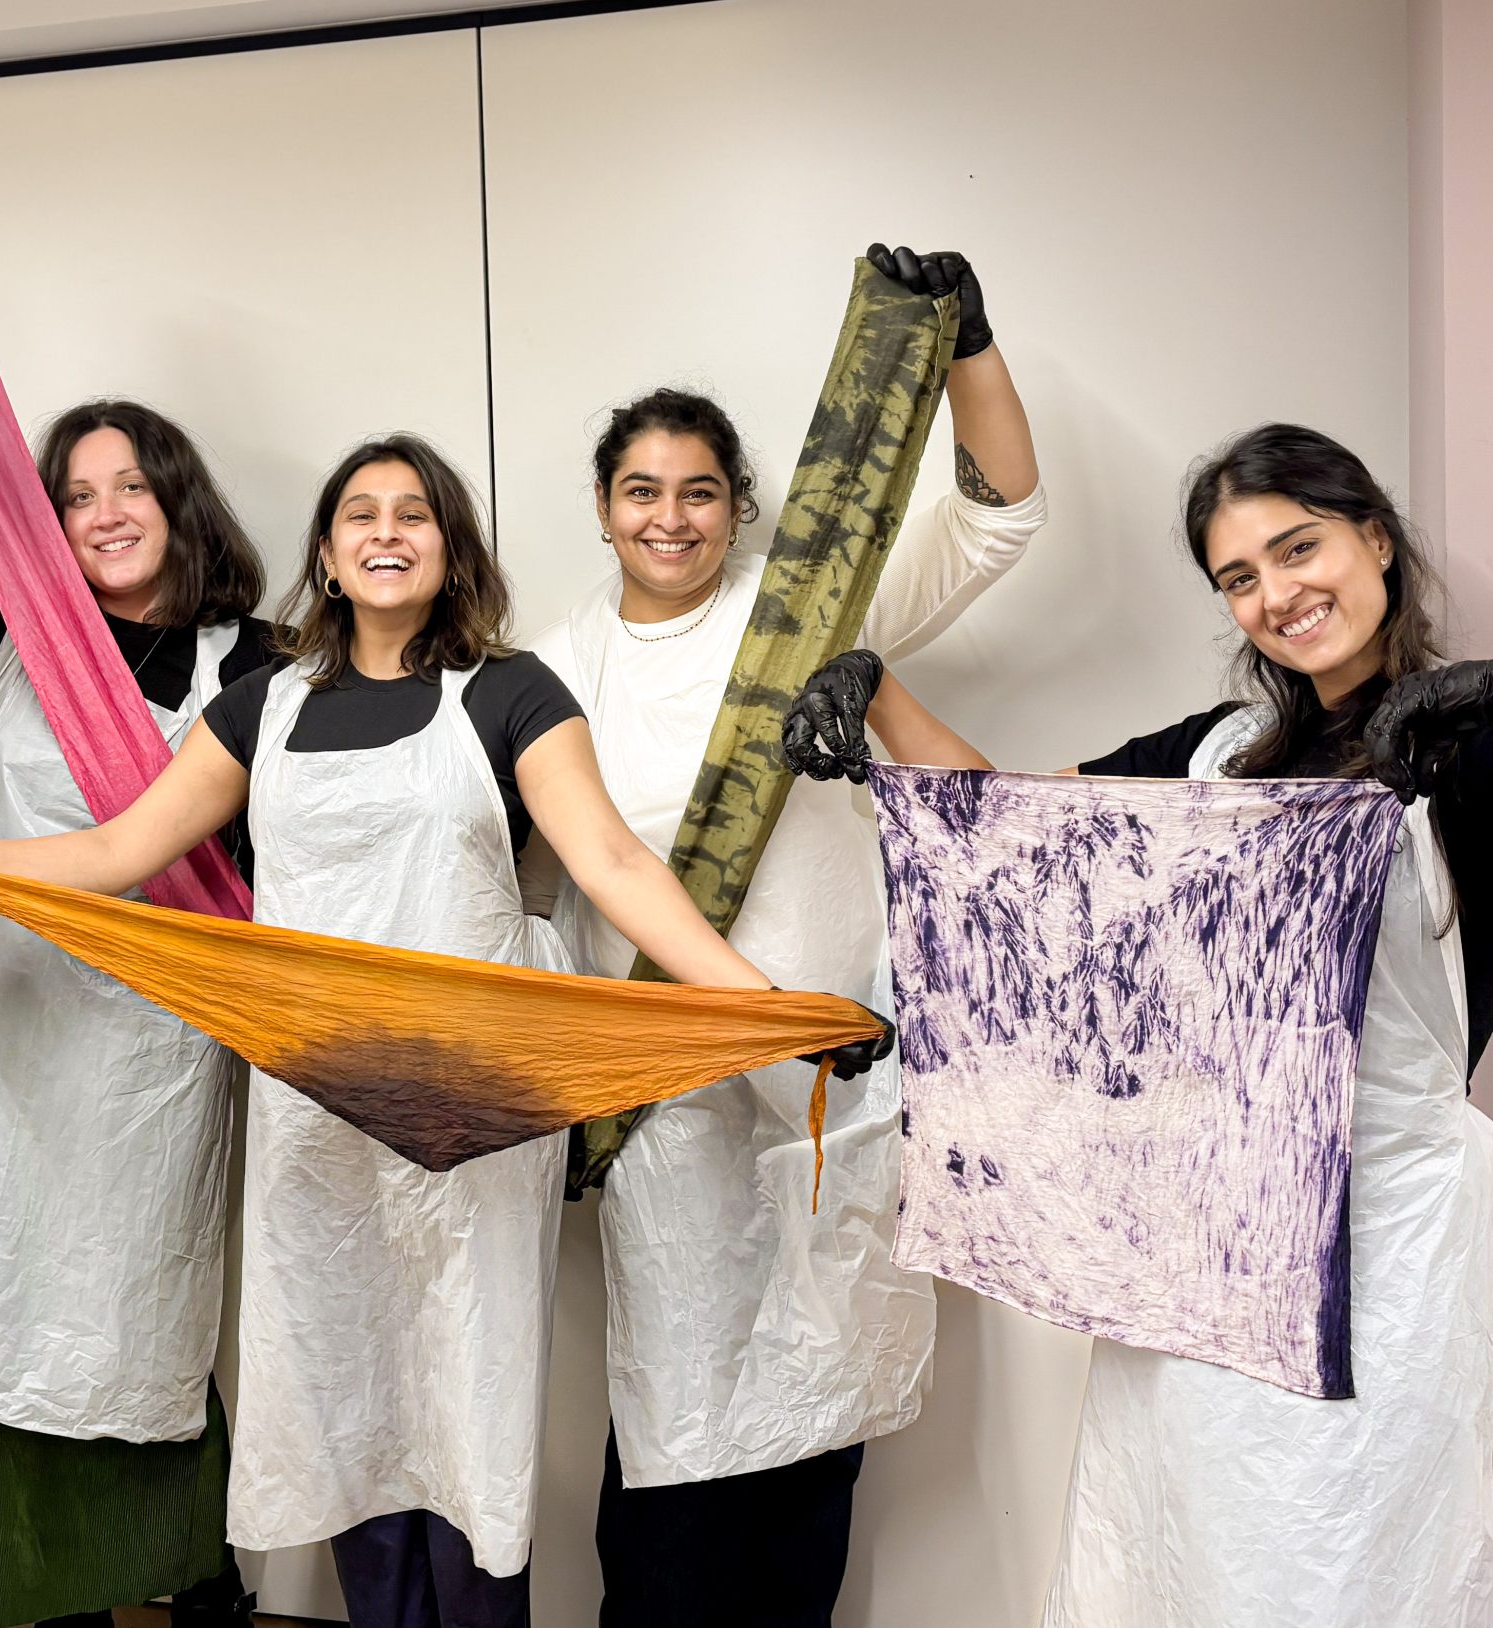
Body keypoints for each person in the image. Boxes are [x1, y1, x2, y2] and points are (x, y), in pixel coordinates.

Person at [0, 434, 889, 1628]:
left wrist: (768, 1012)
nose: (386, 532)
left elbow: (611, 864)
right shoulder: (260, 707)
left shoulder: (513, 693)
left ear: (449, 553)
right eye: (359, 515)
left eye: (414, 515)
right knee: (340, 1406)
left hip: (476, 1110)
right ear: (330, 557)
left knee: (468, 1409)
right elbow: (110, 856)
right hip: (317, 1111)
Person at [783, 422, 1493, 1627]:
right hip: (1195, 1251)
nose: (1276, 594)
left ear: (1375, 542)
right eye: (1238, 577)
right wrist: (877, 690)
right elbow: (1011, 842)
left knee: (1338, 1569)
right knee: (1177, 1558)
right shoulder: (1217, 758)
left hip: (1373, 1268)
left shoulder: (1480, 754)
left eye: (1297, 549)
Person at [518, 243, 1046, 1628]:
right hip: (667, 1093)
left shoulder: (809, 609)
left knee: (821, 1403)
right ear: (602, 508)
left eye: (701, 492)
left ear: (740, 505)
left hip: (834, 1072)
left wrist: (967, 343)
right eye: (644, 492)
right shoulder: (557, 668)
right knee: (679, 1419)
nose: (673, 518)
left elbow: (998, 516)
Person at [0, 204, 271, 1628]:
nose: (107, 511)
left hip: (162, 1048)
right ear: (50, 519)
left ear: (179, 500)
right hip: (16, 1035)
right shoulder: (20, 612)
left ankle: (194, 1587)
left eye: (133, 485)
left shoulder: (254, 660)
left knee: (146, 1312)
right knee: (13, 1305)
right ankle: (39, 1602)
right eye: (78, 492)